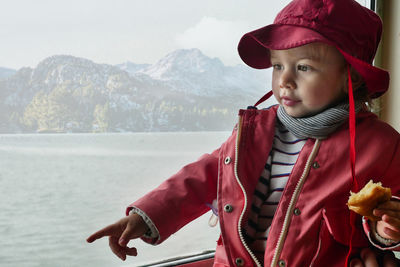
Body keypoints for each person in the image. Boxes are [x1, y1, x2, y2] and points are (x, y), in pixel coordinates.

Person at [87, 0, 400, 266]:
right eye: (278, 66)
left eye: (303, 68)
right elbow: (202, 177)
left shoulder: (382, 146)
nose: (284, 81)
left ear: (354, 76)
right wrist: (144, 217)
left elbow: (389, 216)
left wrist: (385, 232)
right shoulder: (255, 131)